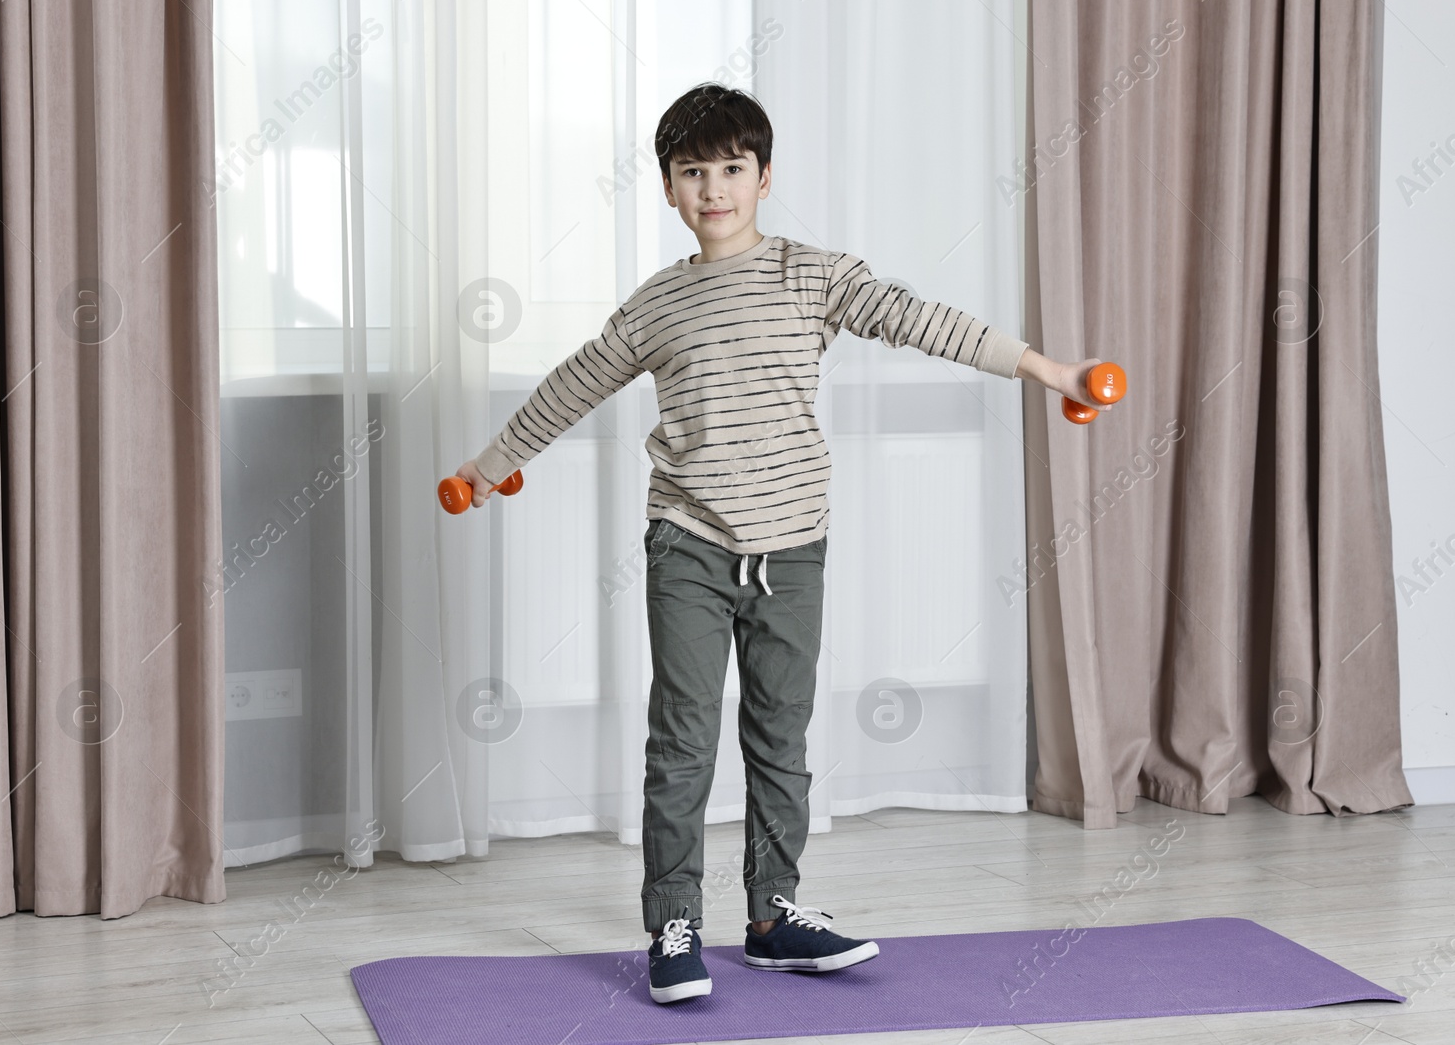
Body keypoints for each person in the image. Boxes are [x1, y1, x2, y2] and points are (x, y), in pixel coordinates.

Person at [453, 82, 1108, 1005]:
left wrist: (1050, 370)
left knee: (780, 737)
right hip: (688, 542)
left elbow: (928, 322)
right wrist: (487, 465)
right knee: (681, 737)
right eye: (692, 172)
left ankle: (773, 916)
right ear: (669, 188)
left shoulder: (815, 275)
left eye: (731, 169)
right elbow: (572, 385)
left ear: (765, 176)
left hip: (793, 548)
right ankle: (673, 923)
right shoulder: (657, 305)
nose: (713, 187)